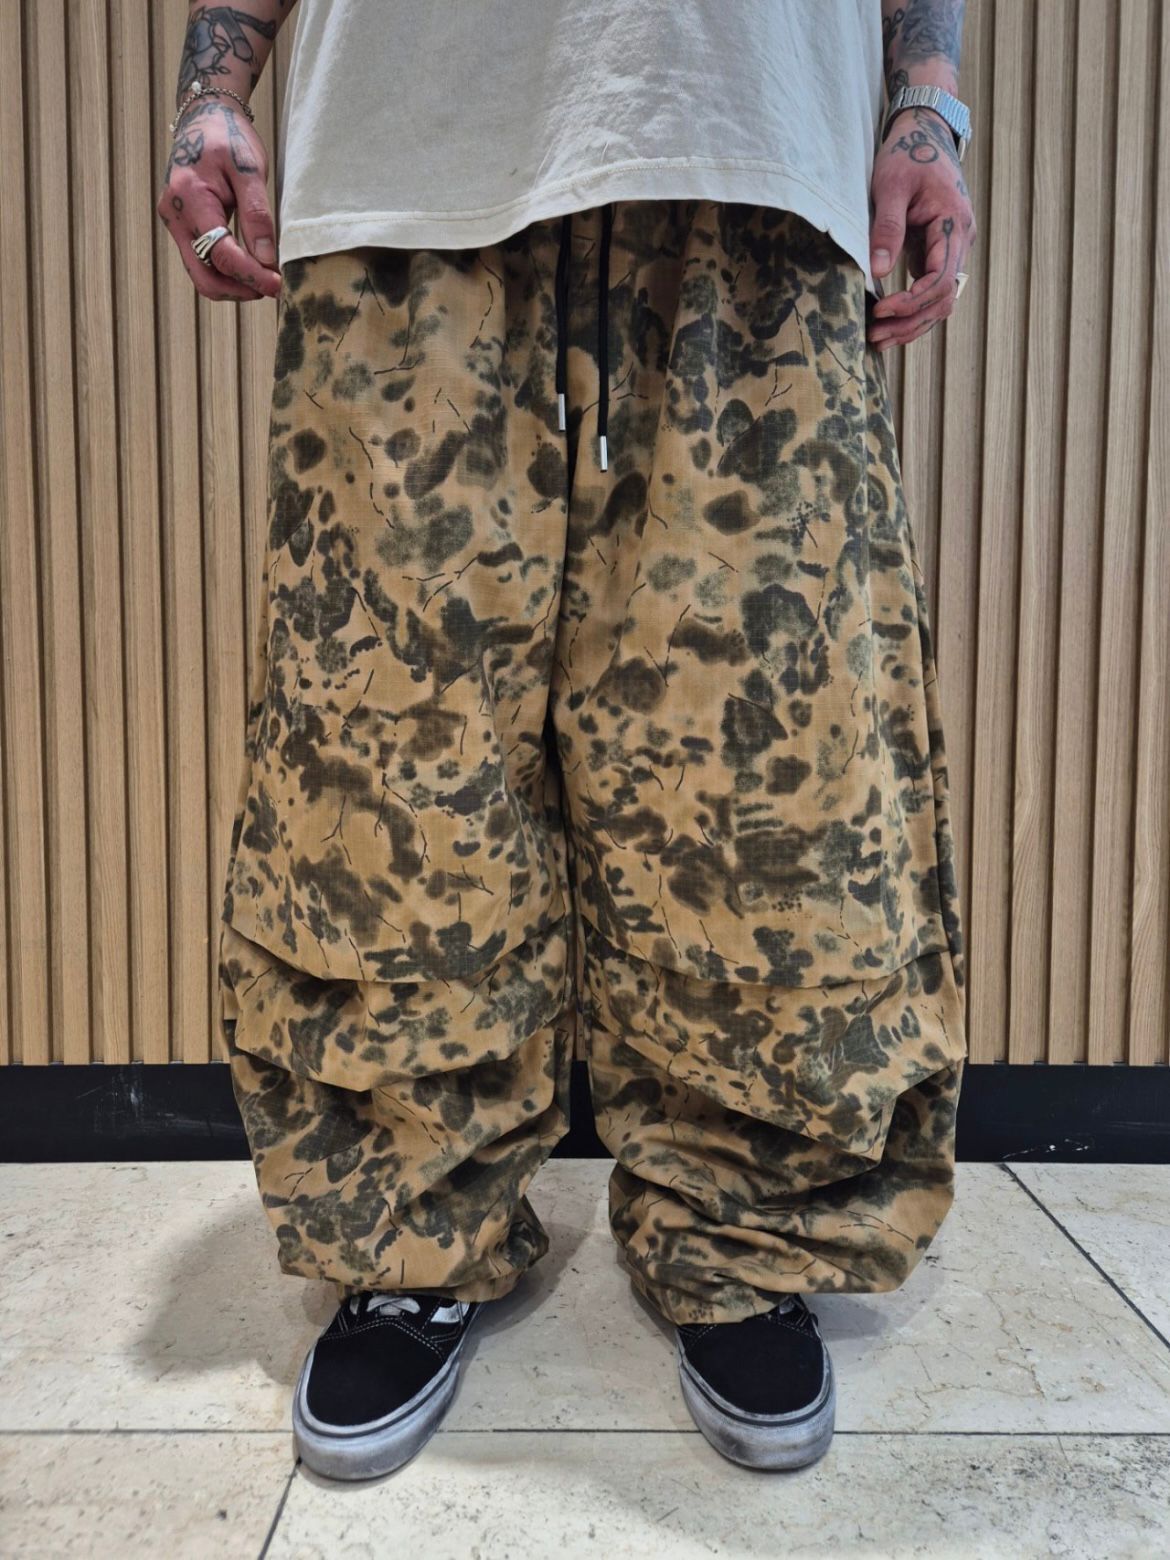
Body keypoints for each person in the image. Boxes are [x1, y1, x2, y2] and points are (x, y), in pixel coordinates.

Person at [158, 0, 975, 1482]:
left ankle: (746, 1231)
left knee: (764, 774)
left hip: (755, 156)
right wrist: (212, 90)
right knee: (390, 768)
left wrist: (929, 104)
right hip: (406, 162)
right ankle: (407, 1230)